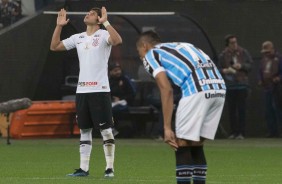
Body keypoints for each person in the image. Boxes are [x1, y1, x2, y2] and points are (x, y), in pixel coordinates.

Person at [136, 30, 226, 184]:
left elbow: (166, 89)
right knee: (196, 144)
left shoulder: (151, 54)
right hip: (219, 89)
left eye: (139, 52)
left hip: (196, 90)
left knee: (182, 143)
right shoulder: (185, 45)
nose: (140, 56)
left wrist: (166, 127)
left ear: (144, 46)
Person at [50, 7, 122, 177]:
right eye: (87, 12)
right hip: (82, 90)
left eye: (91, 13)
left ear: (98, 19)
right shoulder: (78, 37)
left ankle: (109, 168)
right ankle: (83, 169)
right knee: (84, 129)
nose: (87, 14)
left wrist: (106, 22)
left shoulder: (104, 34)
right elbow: (54, 46)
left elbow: (118, 40)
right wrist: (59, 26)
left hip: (100, 89)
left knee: (106, 130)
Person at [218, 34, 253, 140]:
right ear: (227, 44)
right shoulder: (223, 55)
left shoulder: (243, 52)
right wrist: (225, 70)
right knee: (231, 110)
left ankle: (241, 133)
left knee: (242, 109)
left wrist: (241, 66)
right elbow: (218, 69)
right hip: (230, 85)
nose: (235, 45)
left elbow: (250, 65)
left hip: (242, 85)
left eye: (235, 42)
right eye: (232, 43)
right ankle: (233, 132)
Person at [258, 41, 282, 138]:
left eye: (268, 51)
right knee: (269, 110)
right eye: (265, 52)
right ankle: (272, 131)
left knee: (278, 110)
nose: (266, 54)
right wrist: (260, 80)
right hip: (267, 87)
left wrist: (279, 78)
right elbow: (260, 71)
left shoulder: (279, 59)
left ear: (272, 49)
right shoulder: (263, 60)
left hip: (277, 88)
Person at [108, 62, 136, 135]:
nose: (118, 72)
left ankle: (111, 129)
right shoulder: (108, 80)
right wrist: (112, 98)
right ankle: (109, 129)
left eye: (119, 70)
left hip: (124, 102)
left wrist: (121, 98)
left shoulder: (125, 79)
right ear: (110, 72)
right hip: (111, 102)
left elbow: (132, 94)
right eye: (115, 70)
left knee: (112, 109)